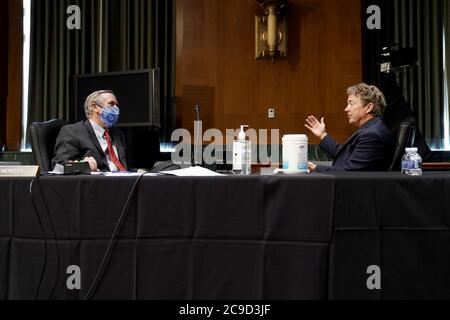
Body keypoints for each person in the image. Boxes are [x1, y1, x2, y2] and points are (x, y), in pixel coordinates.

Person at [305, 83, 394, 172]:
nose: (346, 109)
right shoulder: (372, 128)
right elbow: (344, 153)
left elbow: (350, 173)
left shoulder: (371, 135)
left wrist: (315, 168)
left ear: (369, 107)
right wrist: (322, 134)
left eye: (351, 104)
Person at [52, 90, 128, 172]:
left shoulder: (117, 134)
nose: (116, 109)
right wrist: (83, 166)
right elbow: (59, 166)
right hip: (97, 183)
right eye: (111, 104)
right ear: (94, 107)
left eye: (117, 105)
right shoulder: (72, 132)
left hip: (124, 181)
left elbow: (127, 167)